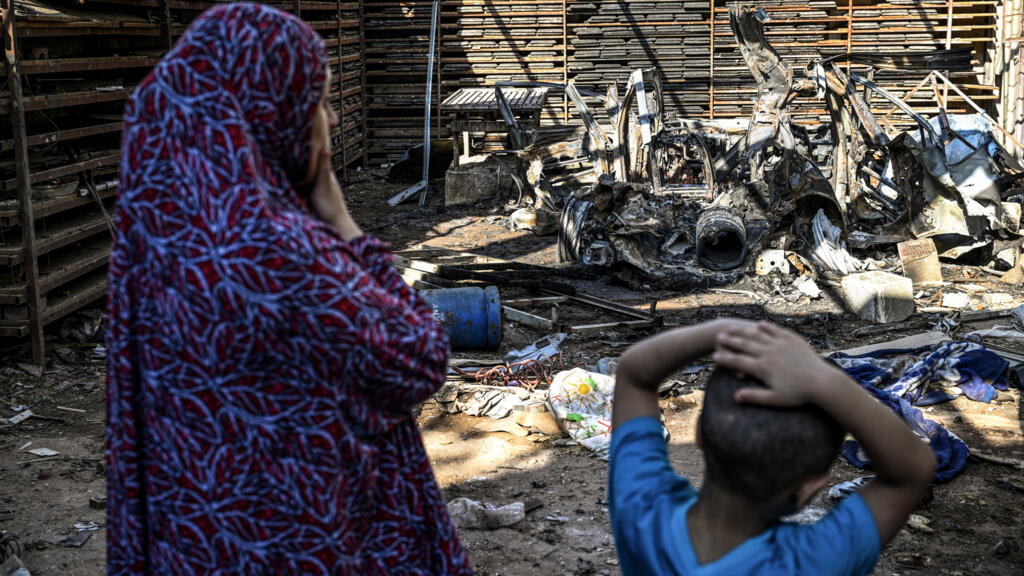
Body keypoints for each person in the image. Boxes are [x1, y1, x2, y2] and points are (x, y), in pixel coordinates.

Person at [105, 4, 473, 574]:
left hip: (196, 543)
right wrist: (346, 227)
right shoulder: (273, 252)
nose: (329, 118)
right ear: (267, 107)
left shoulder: (159, 245)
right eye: (318, 100)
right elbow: (416, 358)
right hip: (304, 541)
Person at [608, 319, 936, 575]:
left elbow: (635, 374)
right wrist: (823, 380)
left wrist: (728, 330)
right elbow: (912, 471)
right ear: (809, 489)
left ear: (700, 436)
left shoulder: (642, 511)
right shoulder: (814, 562)